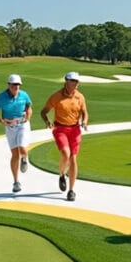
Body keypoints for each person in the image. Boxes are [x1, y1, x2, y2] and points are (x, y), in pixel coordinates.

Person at [40, 71, 89, 201]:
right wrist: (46, 121)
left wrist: (84, 121)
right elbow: (43, 111)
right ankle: (62, 174)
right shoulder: (56, 96)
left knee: (73, 159)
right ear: (66, 81)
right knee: (65, 154)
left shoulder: (80, 97)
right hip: (60, 128)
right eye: (73, 81)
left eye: (77, 81)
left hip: (75, 130)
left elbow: (85, 112)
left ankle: (71, 190)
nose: (75, 83)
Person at [0, 73, 32, 193]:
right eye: (13, 85)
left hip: (22, 124)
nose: (16, 87)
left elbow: (28, 107)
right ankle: (16, 182)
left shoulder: (24, 95)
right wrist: (1, 121)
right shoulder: (1, 97)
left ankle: (25, 158)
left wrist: (27, 117)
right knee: (14, 154)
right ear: (9, 85)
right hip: (10, 127)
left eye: (18, 85)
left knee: (22, 148)